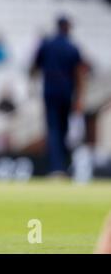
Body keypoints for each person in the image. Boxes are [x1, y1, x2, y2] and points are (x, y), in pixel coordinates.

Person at [30, 16, 87, 177]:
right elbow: (79, 73)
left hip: (50, 90)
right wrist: (79, 98)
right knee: (63, 129)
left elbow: (34, 66)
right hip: (66, 91)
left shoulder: (47, 44)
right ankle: (62, 166)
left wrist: (32, 87)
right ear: (67, 27)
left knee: (53, 129)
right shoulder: (72, 47)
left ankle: (56, 167)